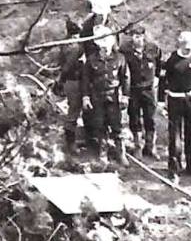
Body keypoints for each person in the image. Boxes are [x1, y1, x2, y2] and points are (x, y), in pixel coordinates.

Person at [159, 30, 191, 179]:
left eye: (190, 48)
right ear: (180, 45)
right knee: (175, 136)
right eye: (186, 48)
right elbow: (163, 80)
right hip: (175, 100)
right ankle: (174, 169)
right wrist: (161, 101)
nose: (188, 50)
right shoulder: (171, 60)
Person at [80, 26, 129, 164]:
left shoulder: (120, 58)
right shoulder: (91, 60)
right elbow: (85, 80)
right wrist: (86, 97)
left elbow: (125, 78)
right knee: (100, 125)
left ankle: (121, 152)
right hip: (97, 97)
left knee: (117, 125)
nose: (105, 47)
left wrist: (125, 96)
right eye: (102, 43)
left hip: (114, 96)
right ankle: (103, 153)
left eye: (107, 43)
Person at [121, 25, 161, 158]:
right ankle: (137, 145)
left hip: (149, 89)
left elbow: (159, 65)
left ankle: (150, 146)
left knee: (150, 118)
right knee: (134, 117)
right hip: (133, 89)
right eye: (134, 36)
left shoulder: (153, 49)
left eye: (139, 36)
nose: (137, 39)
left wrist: (156, 78)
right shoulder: (125, 51)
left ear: (144, 36)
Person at [54, 19, 86, 157]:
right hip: (74, 80)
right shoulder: (73, 46)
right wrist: (61, 79)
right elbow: (67, 66)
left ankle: (83, 137)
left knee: (81, 110)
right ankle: (70, 142)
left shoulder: (69, 43)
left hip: (80, 79)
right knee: (74, 111)